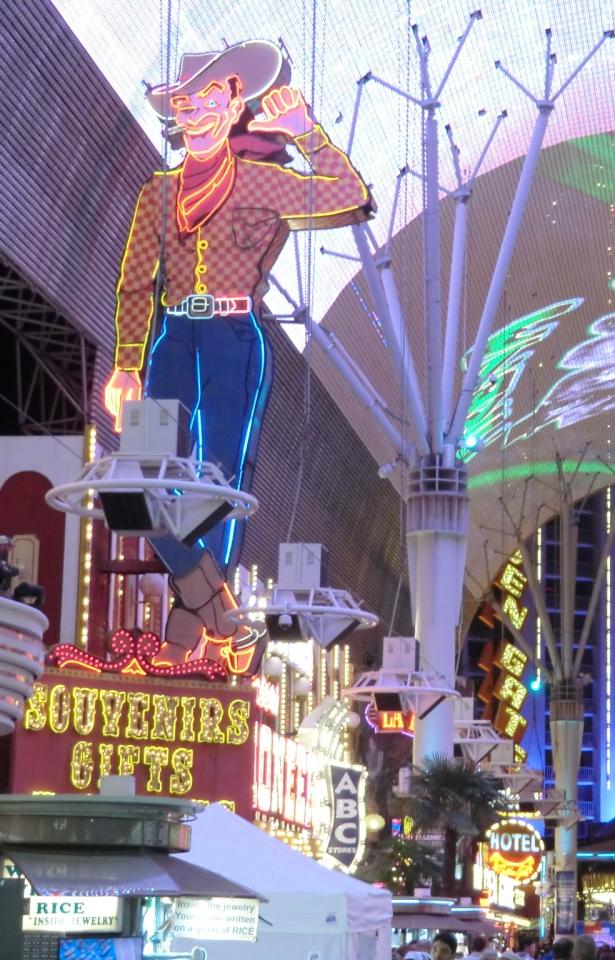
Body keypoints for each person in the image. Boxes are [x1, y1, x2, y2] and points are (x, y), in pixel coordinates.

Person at [104, 38, 372, 669]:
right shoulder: (156, 193)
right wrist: (127, 361)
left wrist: (307, 132)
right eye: (184, 103)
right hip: (171, 341)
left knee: (219, 485)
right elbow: (137, 281)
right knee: (137, 484)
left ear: (232, 106)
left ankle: (186, 628)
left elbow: (349, 195)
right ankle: (221, 616)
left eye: (206, 100)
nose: (194, 113)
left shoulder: (263, 181)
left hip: (234, 339)